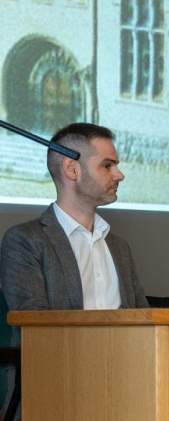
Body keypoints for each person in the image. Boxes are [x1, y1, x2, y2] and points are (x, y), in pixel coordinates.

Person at [0, 123, 148, 346]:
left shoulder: (119, 247)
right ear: (72, 169)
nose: (119, 175)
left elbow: (144, 319)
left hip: (127, 363)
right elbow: (34, 327)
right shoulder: (25, 241)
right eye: (107, 166)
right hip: (59, 364)